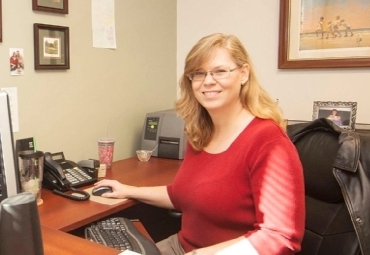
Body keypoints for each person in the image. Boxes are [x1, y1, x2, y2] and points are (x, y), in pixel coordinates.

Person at [94, 33, 305, 255]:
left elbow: (280, 236)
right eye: (199, 73)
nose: (208, 81)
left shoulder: (268, 142)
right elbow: (182, 196)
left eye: (220, 71)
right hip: (183, 246)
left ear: (244, 74)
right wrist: (128, 190)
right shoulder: (201, 133)